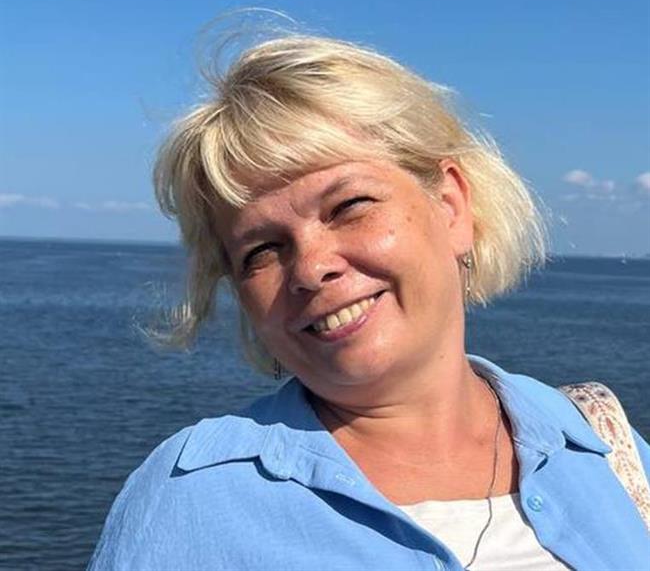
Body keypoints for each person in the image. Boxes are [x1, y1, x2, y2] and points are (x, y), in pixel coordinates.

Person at [88, 32, 650, 570]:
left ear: (451, 206)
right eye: (262, 249)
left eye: (349, 206)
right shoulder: (191, 502)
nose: (310, 268)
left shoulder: (601, 444)